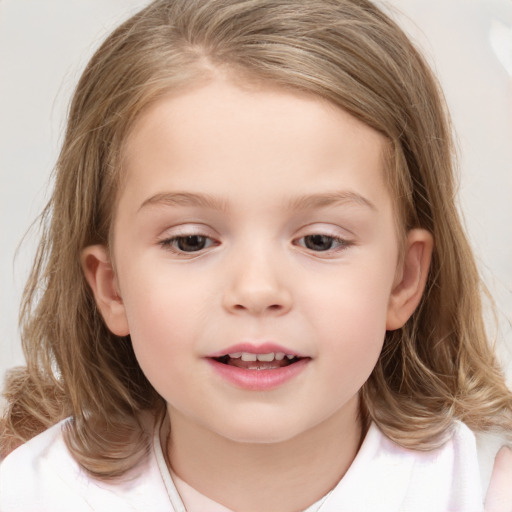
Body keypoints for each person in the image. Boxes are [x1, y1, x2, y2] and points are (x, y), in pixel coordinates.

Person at [0, 0, 511, 510]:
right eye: (191, 241)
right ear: (111, 286)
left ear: (403, 278)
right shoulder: (30, 494)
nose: (257, 290)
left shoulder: (483, 491)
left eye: (320, 240)